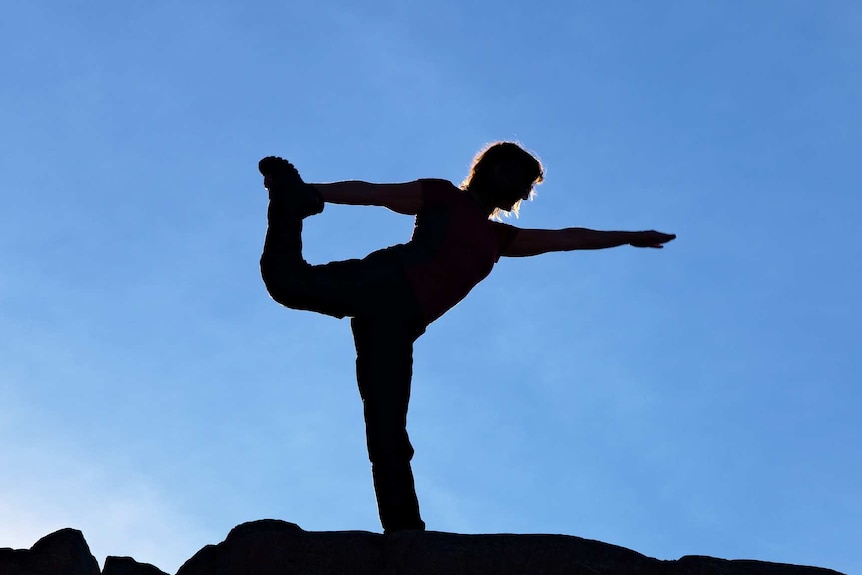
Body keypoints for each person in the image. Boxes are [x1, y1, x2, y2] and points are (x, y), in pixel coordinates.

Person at [258, 141, 675, 534]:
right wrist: (309, 190)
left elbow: (570, 237)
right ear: (497, 168)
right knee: (288, 282)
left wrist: (627, 237)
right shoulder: (442, 197)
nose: (525, 194)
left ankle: (405, 533)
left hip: (398, 324)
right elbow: (374, 193)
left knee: (388, 429)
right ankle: (287, 200)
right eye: (523, 182)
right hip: (385, 281)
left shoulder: (499, 238)